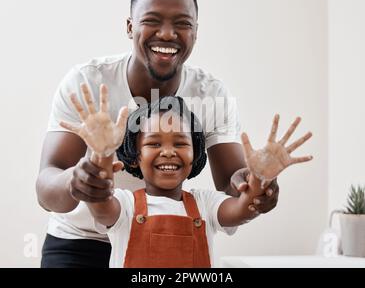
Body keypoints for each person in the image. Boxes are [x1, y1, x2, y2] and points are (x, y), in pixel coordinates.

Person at [37, 0, 285, 268]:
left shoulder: (211, 95)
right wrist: (74, 182)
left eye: (182, 24)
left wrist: (257, 186)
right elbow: (46, 186)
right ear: (130, 27)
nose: (167, 34)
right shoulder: (87, 84)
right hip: (81, 241)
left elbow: (235, 186)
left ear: (195, 32)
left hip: (161, 240)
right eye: (152, 20)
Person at [59, 85, 312, 267]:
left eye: (180, 143)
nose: (168, 152)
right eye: (154, 144)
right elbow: (100, 201)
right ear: (135, 156)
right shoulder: (125, 205)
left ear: (195, 154)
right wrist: (103, 152)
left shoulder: (205, 204)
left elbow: (244, 209)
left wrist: (260, 178)